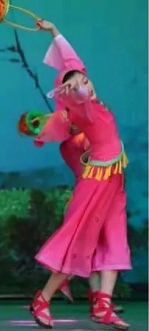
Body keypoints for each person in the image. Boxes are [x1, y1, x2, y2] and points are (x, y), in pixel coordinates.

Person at [29, 20, 130, 331]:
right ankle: (43, 298)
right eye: (75, 84)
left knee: (115, 241)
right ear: (68, 96)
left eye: (85, 79)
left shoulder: (95, 103)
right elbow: (79, 95)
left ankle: (103, 306)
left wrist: (55, 33)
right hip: (95, 184)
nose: (85, 84)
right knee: (78, 243)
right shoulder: (81, 109)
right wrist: (75, 90)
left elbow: (74, 64)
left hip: (114, 181)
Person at [35, 129, 124, 314]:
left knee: (93, 251)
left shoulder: (67, 145)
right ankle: (59, 290)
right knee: (83, 250)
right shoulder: (79, 140)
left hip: (93, 198)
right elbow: (100, 152)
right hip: (91, 199)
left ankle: (100, 300)